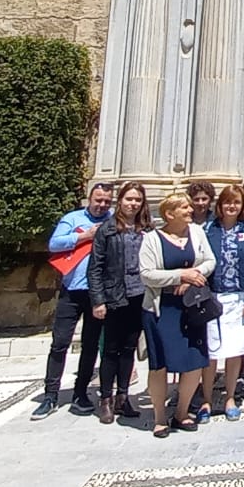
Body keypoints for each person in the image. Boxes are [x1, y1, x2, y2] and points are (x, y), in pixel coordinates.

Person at [34, 182, 113, 419]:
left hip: (97, 292)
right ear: (90, 198)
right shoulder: (73, 218)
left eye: (106, 201)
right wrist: (85, 236)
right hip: (72, 290)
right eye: (98, 200)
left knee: (90, 345)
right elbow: (54, 243)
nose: (102, 205)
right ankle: (50, 394)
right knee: (60, 342)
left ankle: (81, 393)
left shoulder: (112, 221)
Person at [140, 193, 216, 436]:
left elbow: (210, 260)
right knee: (159, 365)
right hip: (163, 309)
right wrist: (180, 276)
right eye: (184, 207)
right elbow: (147, 274)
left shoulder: (196, 232)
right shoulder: (152, 239)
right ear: (169, 214)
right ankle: (160, 417)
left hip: (191, 307)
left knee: (194, 362)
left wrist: (194, 275)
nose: (190, 210)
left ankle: (182, 412)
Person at [87, 181, 151, 424]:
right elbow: (96, 268)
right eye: (129, 199)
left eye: (137, 200)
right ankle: (106, 398)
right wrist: (98, 300)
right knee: (111, 350)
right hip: (114, 296)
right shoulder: (107, 229)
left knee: (128, 349)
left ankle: (123, 397)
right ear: (120, 201)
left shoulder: (144, 228)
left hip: (138, 296)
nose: (133, 204)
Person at [204, 184, 244, 422]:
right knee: (210, 351)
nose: (232, 206)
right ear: (220, 205)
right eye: (227, 202)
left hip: (239, 298)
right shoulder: (209, 229)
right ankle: (207, 399)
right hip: (213, 297)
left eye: (236, 202)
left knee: (235, 350)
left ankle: (230, 397)